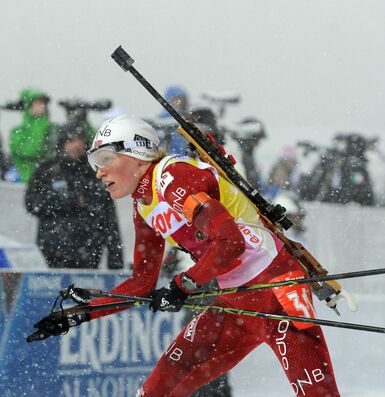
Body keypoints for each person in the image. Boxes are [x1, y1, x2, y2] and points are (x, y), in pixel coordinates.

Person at [34, 115, 340, 396]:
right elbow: (141, 283)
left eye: (105, 159)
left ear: (136, 155)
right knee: (159, 387)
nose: (98, 172)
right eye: (93, 162)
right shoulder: (143, 206)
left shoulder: (174, 178)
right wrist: (78, 314)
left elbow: (230, 243)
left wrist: (183, 285)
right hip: (234, 301)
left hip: (276, 289)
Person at [24, 121, 123, 269]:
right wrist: (68, 200)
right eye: (70, 140)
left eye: (80, 140)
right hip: (50, 258)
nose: (76, 145)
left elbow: (110, 221)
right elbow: (32, 203)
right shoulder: (47, 170)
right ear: (62, 143)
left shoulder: (97, 173)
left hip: (89, 259)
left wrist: (116, 265)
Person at [8, 88, 59, 183]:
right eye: (37, 103)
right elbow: (31, 151)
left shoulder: (52, 128)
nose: (42, 107)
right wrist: (39, 120)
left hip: (51, 184)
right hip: (26, 185)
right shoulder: (17, 132)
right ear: (28, 107)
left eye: (43, 103)